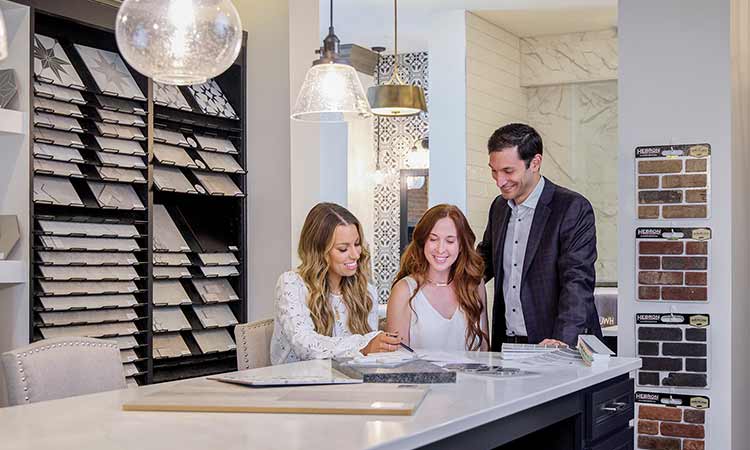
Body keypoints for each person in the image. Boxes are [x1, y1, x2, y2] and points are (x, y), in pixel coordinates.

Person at [477, 123, 602, 349]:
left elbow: (577, 281)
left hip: (557, 343)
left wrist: (563, 339)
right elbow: (484, 260)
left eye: (508, 171)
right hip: (508, 344)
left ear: (534, 163)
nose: (499, 181)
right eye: (494, 171)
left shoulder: (572, 208)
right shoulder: (499, 207)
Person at [270, 202, 399, 365]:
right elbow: (305, 345)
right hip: (295, 384)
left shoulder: (365, 290)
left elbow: (368, 358)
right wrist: (363, 345)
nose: (355, 255)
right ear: (318, 251)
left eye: (357, 244)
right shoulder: (291, 283)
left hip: (346, 384)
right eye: (343, 249)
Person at [386, 204, 489, 351]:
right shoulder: (404, 291)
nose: (440, 249)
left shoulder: (475, 286)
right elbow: (396, 361)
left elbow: (485, 353)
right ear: (423, 242)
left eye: (450, 241)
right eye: (433, 239)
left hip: (471, 375)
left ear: (461, 245)